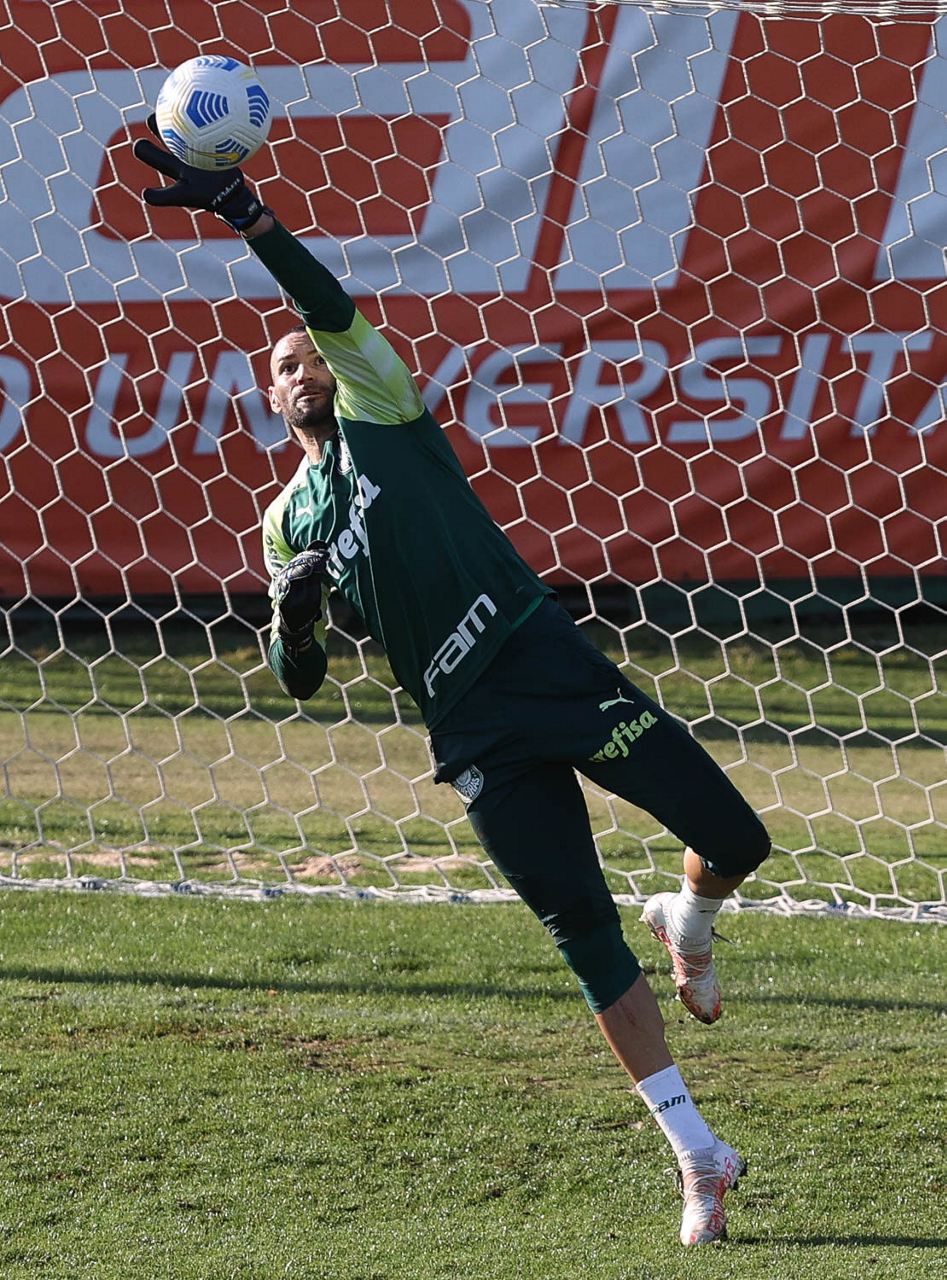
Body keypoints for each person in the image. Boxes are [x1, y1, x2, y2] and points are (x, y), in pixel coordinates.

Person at [134, 124, 771, 1246]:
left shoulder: (384, 413)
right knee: (583, 937)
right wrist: (291, 615)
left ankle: (693, 913)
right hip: (468, 726)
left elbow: (326, 303)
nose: (302, 371)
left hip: (539, 661)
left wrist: (244, 213)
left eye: (311, 357)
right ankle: (696, 1155)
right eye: (283, 369)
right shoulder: (285, 519)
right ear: (268, 399)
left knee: (734, 836)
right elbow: (297, 678)